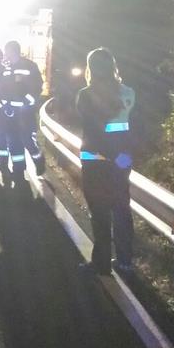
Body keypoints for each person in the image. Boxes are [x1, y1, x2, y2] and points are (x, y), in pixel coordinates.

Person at [76, 47, 136, 275]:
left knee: (99, 213)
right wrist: (124, 156)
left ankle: (101, 263)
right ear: (113, 66)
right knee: (121, 209)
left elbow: (94, 131)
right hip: (121, 162)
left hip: (94, 161)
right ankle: (125, 261)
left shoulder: (85, 95)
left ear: (91, 68)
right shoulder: (129, 93)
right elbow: (134, 129)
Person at [0, 40, 45, 177]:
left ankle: (39, 160)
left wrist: (28, 101)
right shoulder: (6, 69)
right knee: (13, 142)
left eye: (6, 51)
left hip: (26, 112)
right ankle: (19, 169)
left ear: (12, 51)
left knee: (27, 140)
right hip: (11, 113)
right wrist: (5, 104)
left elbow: (37, 86)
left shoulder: (29, 66)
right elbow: (3, 89)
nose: (5, 54)